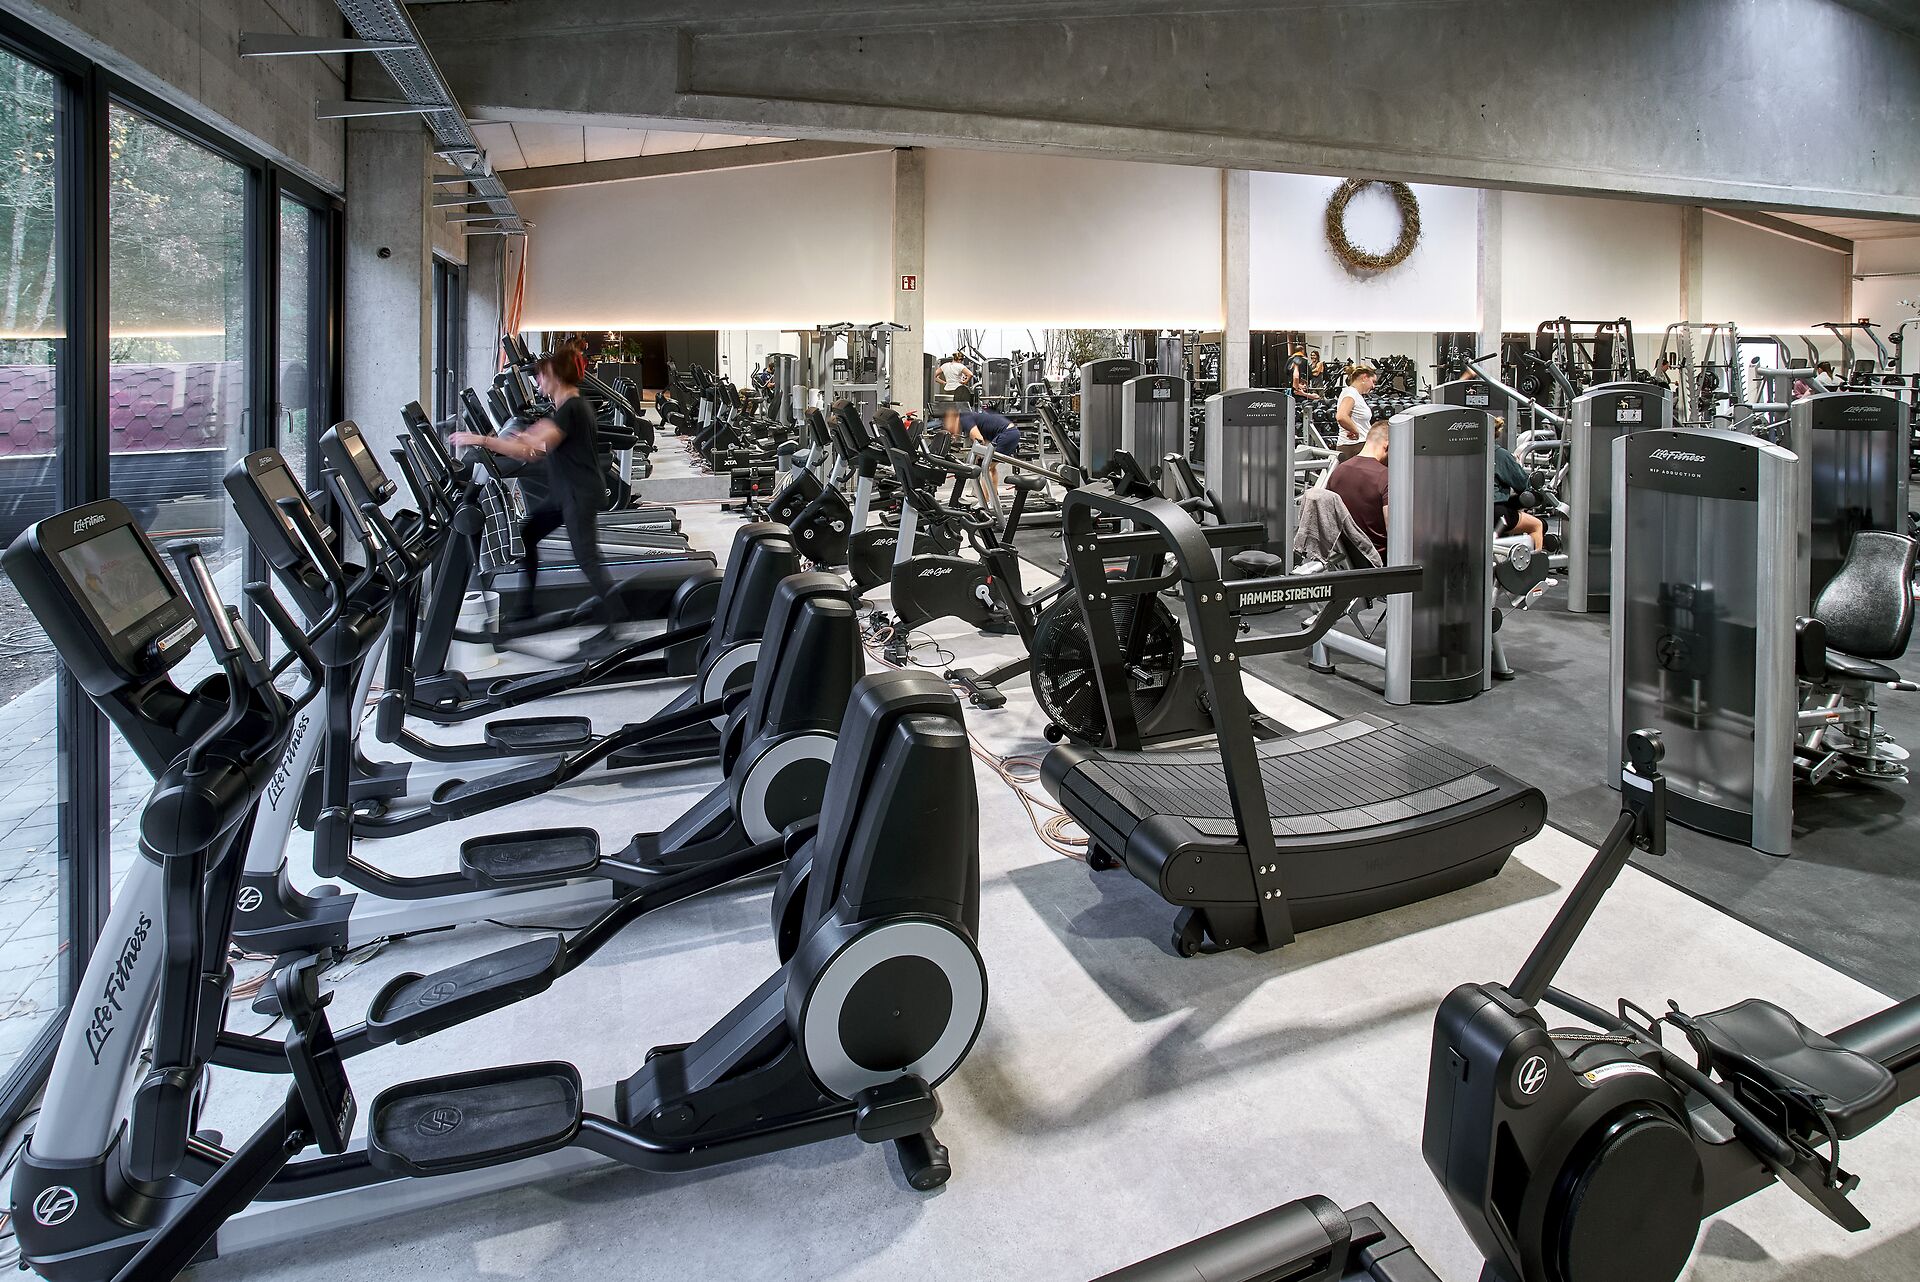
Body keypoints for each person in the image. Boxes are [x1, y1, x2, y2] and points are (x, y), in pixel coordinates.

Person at [449, 343, 626, 650]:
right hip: (565, 492)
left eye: (541, 377)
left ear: (555, 377)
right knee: (529, 534)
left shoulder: (571, 409)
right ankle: (527, 607)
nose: (538, 382)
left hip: (578, 494)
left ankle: (617, 620)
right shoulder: (566, 407)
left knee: (586, 557)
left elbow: (525, 448)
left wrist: (480, 440)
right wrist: (526, 442)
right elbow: (537, 447)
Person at [1325, 418, 1390, 558]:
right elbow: (1395, 530)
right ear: (1387, 446)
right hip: (1380, 560)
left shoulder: (1337, 471)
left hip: (1347, 559)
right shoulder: (1386, 477)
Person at [944, 407, 1020, 507]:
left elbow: (979, 439)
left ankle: (985, 502)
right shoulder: (970, 417)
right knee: (991, 468)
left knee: (986, 467)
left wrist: (979, 454)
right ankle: (994, 501)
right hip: (1012, 433)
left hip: (1007, 434)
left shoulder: (965, 418)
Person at [1492, 418, 1544, 551]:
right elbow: (1522, 484)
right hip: (1494, 513)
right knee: (1536, 526)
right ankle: (1536, 561)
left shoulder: (1465, 455)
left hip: (1467, 513)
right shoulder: (1500, 455)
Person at [1334, 363, 1377, 461]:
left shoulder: (1356, 394)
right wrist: (1356, 431)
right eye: (1373, 381)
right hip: (1353, 447)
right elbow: (1341, 416)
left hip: (1358, 445)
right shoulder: (1351, 392)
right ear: (1365, 377)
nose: (1373, 386)